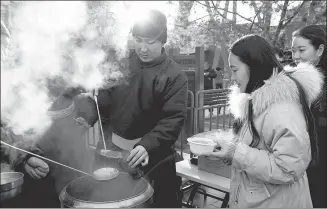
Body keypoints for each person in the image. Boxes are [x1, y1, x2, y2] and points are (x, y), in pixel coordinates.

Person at [203, 34, 324, 208]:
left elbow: (288, 168)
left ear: (254, 66)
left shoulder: (282, 109)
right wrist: (230, 152)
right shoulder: (257, 101)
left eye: (235, 70)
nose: (232, 77)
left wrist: (236, 152)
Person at [95, 9, 188, 208]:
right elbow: (103, 104)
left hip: (154, 155)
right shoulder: (122, 64)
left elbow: (173, 119)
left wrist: (147, 144)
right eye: (138, 40)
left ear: (163, 41)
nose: (143, 48)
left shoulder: (174, 75)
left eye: (150, 42)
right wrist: (94, 97)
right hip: (113, 151)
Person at [292, 24, 327, 208]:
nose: (296, 56)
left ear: (320, 49)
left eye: (301, 50)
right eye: (293, 51)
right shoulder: (296, 78)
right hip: (304, 156)